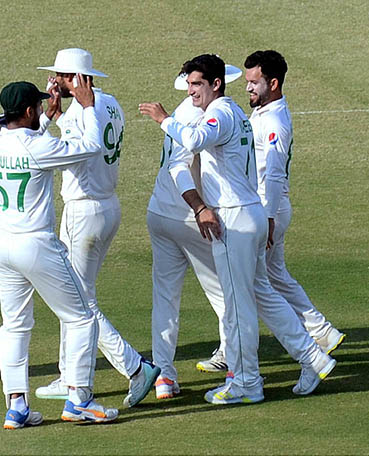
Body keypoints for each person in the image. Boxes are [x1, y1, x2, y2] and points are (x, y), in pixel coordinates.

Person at [140, 54, 336, 404]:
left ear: (216, 84)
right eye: (189, 84)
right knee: (264, 296)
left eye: (197, 84)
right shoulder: (237, 113)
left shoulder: (219, 113)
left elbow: (196, 140)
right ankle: (313, 357)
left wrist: (165, 119)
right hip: (250, 215)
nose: (191, 91)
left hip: (234, 221)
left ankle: (246, 383)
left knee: (238, 306)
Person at [0, 80, 118, 429]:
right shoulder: (38, 147)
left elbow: (30, 140)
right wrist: (88, 106)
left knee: (14, 324)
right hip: (36, 245)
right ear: (29, 110)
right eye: (38, 108)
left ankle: (16, 406)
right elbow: (90, 148)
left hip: (3, 244)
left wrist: (46, 118)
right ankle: (79, 400)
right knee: (81, 318)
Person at [34, 48, 159, 407]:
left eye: (59, 76)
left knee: (78, 303)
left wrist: (53, 120)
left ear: (76, 79)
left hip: (82, 212)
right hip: (108, 207)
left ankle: (134, 367)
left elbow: (76, 150)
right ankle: (70, 376)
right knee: (72, 298)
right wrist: (60, 116)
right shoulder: (112, 103)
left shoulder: (81, 113)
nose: (52, 82)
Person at [147, 65, 243, 399]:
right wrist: (200, 207)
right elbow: (180, 167)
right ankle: (237, 369)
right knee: (226, 295)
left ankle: (164, 377)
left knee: (165, 297)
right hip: (189, 219)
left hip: (159, 212)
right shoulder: (197, 114)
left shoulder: (184, 110)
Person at [244, 50, 345, 355]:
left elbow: (273, 174)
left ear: (273, 83)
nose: (248, 87)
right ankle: (322, 333)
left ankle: (234, 350)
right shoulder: (264, 112)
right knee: (276, 277)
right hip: (270, 208)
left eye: (254, 82)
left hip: (267, 209)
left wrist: (269, 219)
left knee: (251, 284)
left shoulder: (273, 121)